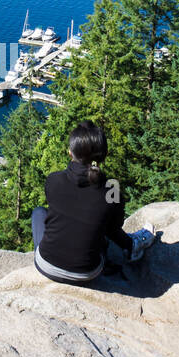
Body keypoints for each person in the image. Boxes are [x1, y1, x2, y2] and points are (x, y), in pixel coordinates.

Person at [30, 121, 156, 285]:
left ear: (70, 153)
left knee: (39, 212)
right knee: (103, 233)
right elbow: (114, 228)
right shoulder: (111, 189)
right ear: (104, 156)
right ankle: (133, 245)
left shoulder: (53, 180)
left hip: (45, 266)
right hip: (86, 273)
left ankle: (55, 250)